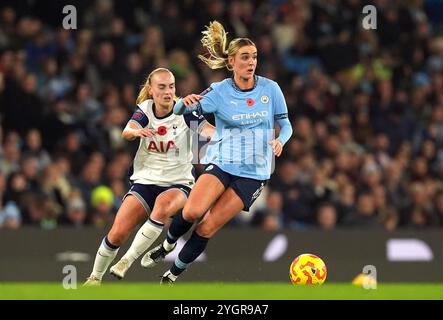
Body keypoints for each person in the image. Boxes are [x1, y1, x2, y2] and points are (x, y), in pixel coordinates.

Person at [142, 21, 293, 284]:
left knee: (208, 225)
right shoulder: (218, 91)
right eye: (245, 57)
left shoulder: (271, 89)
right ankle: (166, 245)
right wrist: (182, 104)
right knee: (192, 211)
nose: (251, 62)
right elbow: (181, 112)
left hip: (253, 173)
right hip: (222, 162)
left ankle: (172, 274)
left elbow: (286, 123)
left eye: (254, 57)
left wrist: (281, 139)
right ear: (231, 62)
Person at [84, 68, 215, 285]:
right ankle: (94, 278)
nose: (167, 91)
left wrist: (228, 137)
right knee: (117, 233)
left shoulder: (185, 110)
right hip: (145, 181)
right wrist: (136, 132)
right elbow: (127, 130)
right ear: (151, 90)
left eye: (171, 86)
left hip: (178, 183)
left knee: (162, 207)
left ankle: (126, 261)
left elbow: (207, 131)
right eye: (162, 87)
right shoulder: (145, 109)